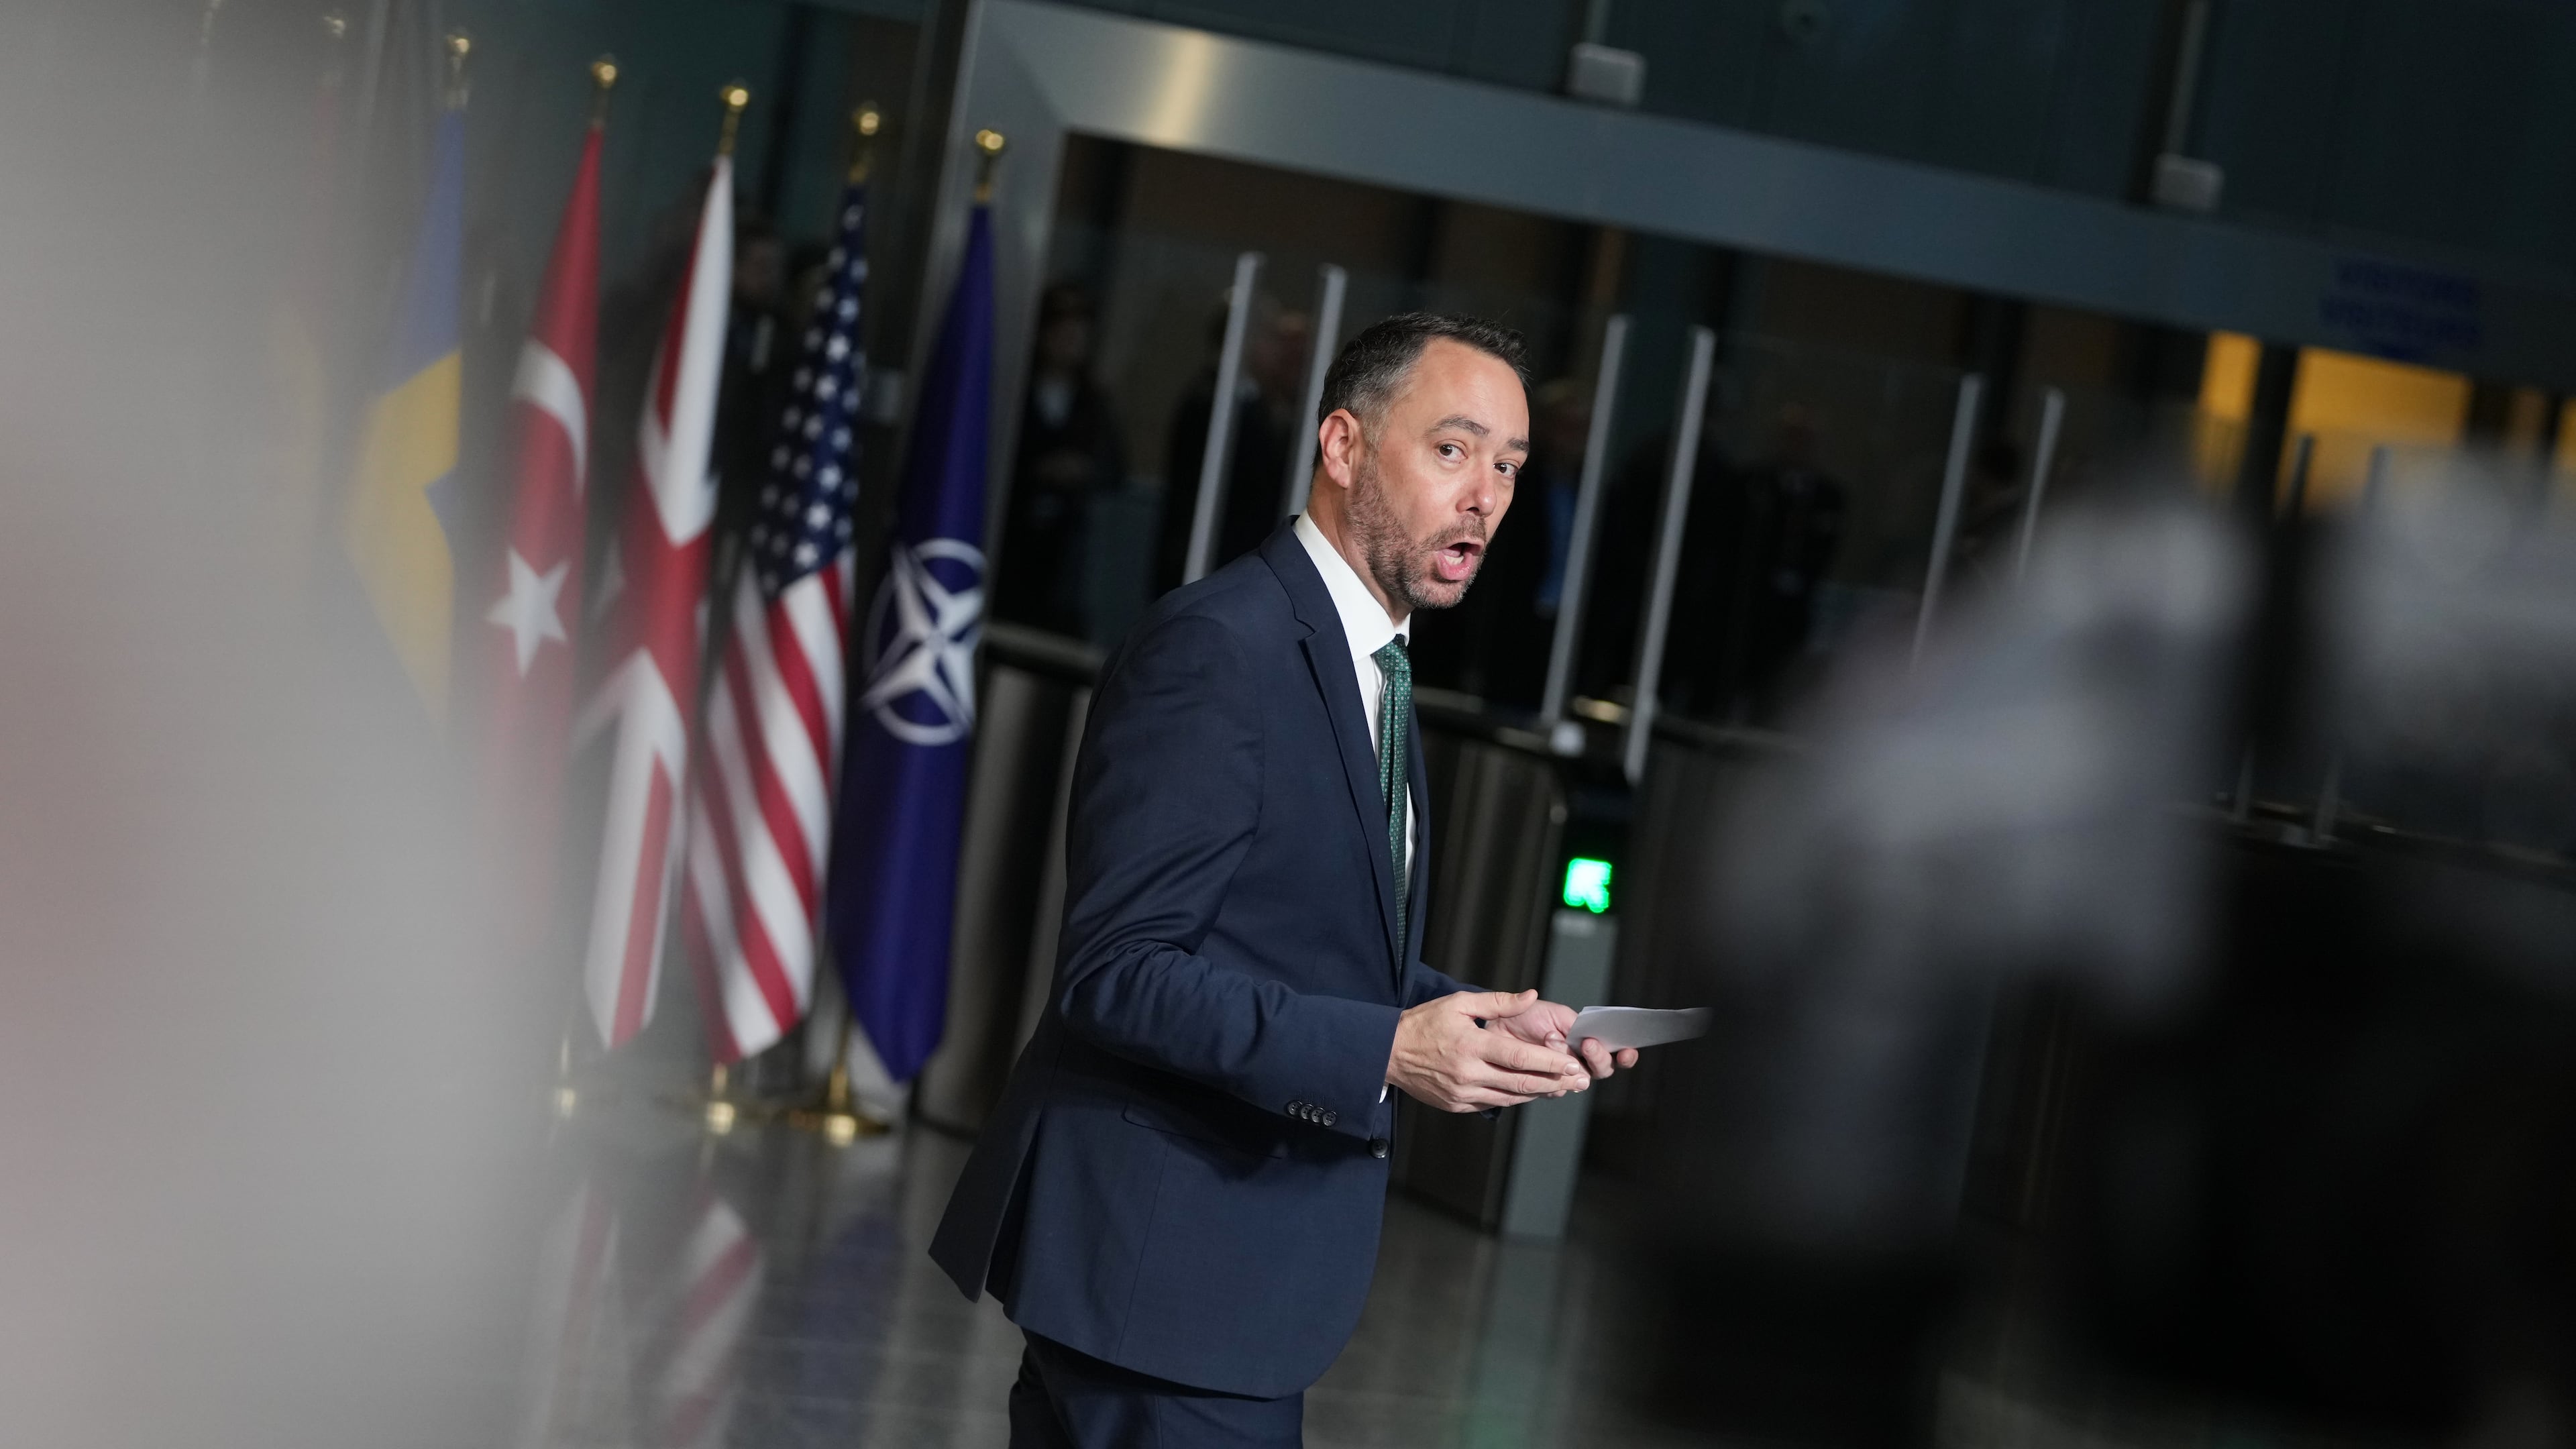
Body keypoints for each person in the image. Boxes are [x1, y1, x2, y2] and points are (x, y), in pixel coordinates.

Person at [930, 313, 1640, 1447]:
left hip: (1210, 1289)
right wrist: (1390, 1051)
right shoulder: (1222, 649)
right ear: (1345, 446)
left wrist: (1492, 1019)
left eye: (1509, 464)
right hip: (1163, 1280)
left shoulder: (1377, 668)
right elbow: (1116, 972)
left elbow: (1304, 941)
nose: (1487, 497)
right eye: (1452, 450)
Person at [997, 282, 1126, 637]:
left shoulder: (1094, 403)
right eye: (1061, 333)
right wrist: (1036, 470)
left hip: (1067, 556)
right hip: (1011, 544)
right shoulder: (1014, 392)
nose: (1069, 343)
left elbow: (1115, 471)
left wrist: (1082, 472)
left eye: (1078, 334)